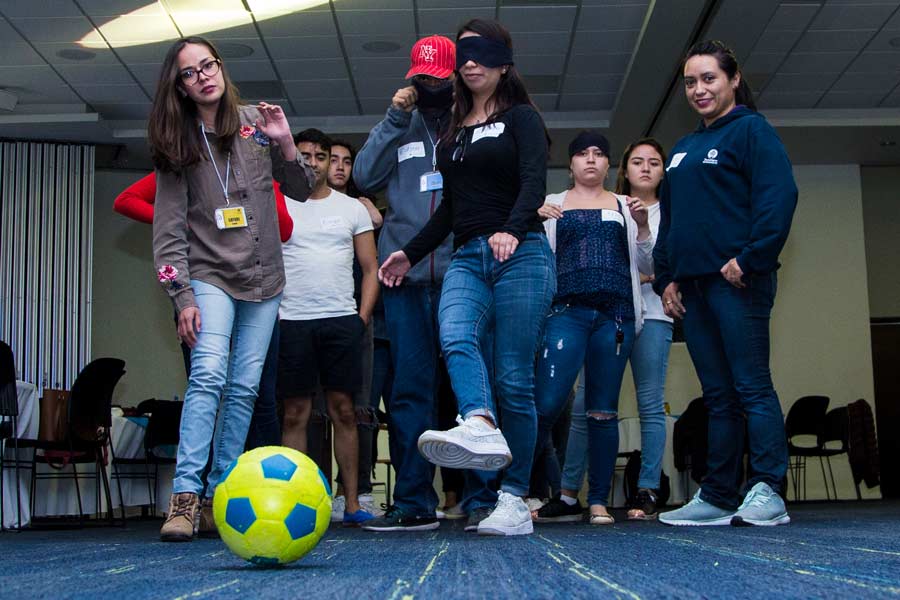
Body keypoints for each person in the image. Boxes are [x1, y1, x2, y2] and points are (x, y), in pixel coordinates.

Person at [379, 19, 555, 537]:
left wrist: (513, 227)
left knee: (514, 382)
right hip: (468, 256)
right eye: (465, 55)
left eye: (483, 54)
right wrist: (408, 255)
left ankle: (515, 498)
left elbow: (532, 181)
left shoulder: (521, 119)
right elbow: (449, 209)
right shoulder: (454, 129)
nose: (471, 62)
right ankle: (477, 420)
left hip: (520, 255)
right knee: (454, 335)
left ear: (503, 64)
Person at [149, 36, 313, 542]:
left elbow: (303, 189)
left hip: (265, 278)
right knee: (208, 375)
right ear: (179, 86)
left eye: (209, 65)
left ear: (221, 68)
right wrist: (183, 298)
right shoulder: (178, 144)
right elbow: (168, 234)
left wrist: (286, 142)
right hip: (210, 274)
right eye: (191, 72)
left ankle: (217, 495)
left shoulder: (255, 125)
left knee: (244, 387)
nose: (204, 76)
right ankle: (183, 497)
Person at [654, 40, 797, 527]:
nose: (699, 89)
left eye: (708, 78)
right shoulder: (682, 149)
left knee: (751, 386)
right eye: (691, 82)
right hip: (692, 290)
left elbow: (779, 199)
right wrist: (667, 278)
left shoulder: (752, 132)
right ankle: (716, 495)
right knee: (717, 396)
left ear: (733, 79)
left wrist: (751, 258)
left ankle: (768, 489)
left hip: (738, 283)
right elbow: (670, 220)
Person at [356, 35, 496, 533]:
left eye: (439, 78)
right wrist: (394, 118)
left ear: (456, 75)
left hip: (466, 275)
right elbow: (364, 174)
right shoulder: (402, 124)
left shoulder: (475, 120)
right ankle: (414, 500)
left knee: (470, 390)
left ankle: (482, 499)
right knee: (410, 393)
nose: (429, 86)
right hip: (406, 278)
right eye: (421, 78)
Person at [113, 173, 291, 451]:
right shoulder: (189, 164)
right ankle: (199, 486)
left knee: (260, 396)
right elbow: (125, 201)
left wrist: (261, 188)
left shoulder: (258, 166)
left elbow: (286, 228)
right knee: (207, 391)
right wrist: (184, 222)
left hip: (254, 297)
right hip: (204, 291)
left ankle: (262, 482)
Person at [530, 131, 652, 526]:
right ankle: (519, 489)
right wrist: (532, 222)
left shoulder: (623, 204)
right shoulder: (551, 204)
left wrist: (643, 225)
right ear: (570, 164)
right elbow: (530, 256)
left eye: (600, 154)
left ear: (608, 164)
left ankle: (597, 500)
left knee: (602, 412)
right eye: (582, 153)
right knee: (545, 405)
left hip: (615, 318)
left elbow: (648, 262)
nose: (591, 160)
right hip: (565, 313)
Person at [277, 128, 378, 526]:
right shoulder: (279, 205)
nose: (314, 163)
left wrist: (361, 320)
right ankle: (297, 505)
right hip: (292, 321)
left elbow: (371, 269)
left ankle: (351, 503)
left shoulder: (351, 207)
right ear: (294, 159)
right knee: (295, 415)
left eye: (321, 156)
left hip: (341, 322)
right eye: (305, 156)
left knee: (345, 413)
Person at [325, 138, 385, 520]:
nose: (340, 168)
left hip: (356, 319)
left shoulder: (359, 209)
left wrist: (362, 317)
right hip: (311, 317)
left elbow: (377, 222)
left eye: (347, 162)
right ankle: (317, 491)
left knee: (360, 408)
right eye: (333, 160)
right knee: (315, 411)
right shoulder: (300, 204)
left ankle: (359, 492)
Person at [616, 138, 672, 520]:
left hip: (654, 315)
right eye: (638, 161)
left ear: (663, 170)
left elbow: (667, 266)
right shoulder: (610, 205)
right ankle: (585, 494)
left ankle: (648, 488)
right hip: (612, 316)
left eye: (654, 162)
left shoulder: (673, 212)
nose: (646, 168)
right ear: (625, 170)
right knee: (595, 405)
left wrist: (652, 275)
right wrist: (645, 276)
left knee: (651, 405)